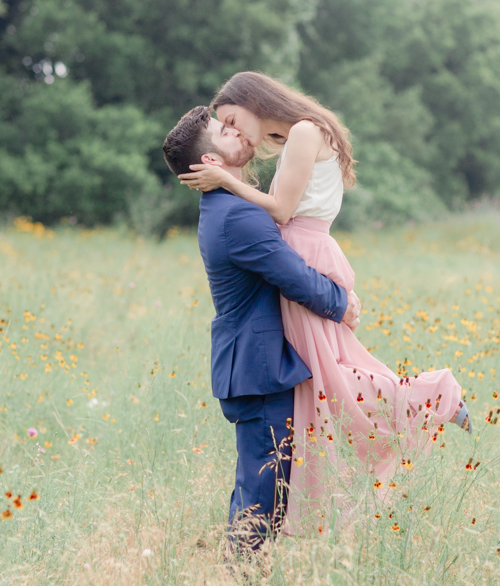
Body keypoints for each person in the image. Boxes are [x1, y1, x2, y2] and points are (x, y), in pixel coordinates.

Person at [178, 72, 471, 533]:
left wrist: (337, 299)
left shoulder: (301, 133)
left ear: (252, 100)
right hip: (305, 260)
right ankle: (427, 400)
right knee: (331, 378)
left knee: (334, 377)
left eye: (233, 118)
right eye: (225, 127)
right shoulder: (297, 139)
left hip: (306, 257)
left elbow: (281, 214)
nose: (235, 129)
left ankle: (433, 396)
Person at [162, 105, 361, 552]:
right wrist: (342, 302)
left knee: (257, 487)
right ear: (211, 162)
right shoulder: (237, 215)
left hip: (251, 364)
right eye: (225, 131)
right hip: (260, 367)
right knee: (262, 496)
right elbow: (292, 275)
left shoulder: (228, 206)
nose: (237, 132)